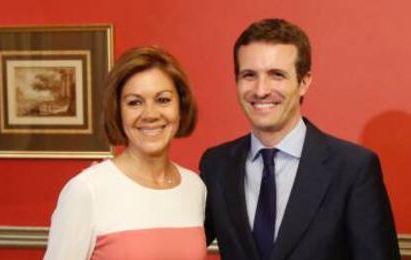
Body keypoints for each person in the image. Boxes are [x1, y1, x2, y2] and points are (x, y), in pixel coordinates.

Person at [199, 18, 400, 260]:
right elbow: (179, 243)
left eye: (276, 75)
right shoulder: (217, 165)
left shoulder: (353, 168)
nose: (261, 89)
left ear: (304, 82)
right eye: (249, 75)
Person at [44, 46, 207, 260]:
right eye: (134, 102)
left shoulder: (194, 187)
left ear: (181, 107)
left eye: (163, 99)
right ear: (117, 110)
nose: (150, 114)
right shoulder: (86, 191)